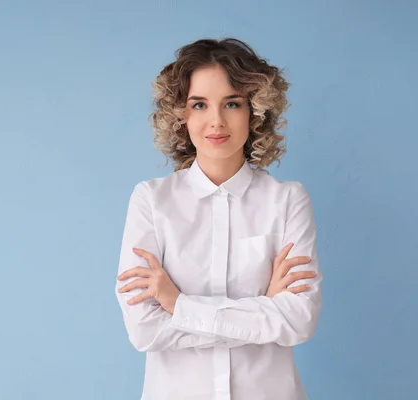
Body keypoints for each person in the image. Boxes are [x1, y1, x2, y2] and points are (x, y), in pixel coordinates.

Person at [114, 37, 323, 400]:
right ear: (182, 114)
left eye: (232, 103)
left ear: (254, 110)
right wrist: (264, 311)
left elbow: (297, 321)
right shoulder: (151, 200)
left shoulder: (288, 200)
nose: (216, 121)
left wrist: (179, 305)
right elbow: (145, 331)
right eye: (199, 104)